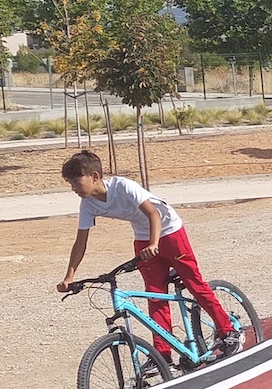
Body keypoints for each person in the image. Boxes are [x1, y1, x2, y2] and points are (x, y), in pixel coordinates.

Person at [55, 149, 243, 360]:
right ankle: (163, 355)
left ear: (94, 176)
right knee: (155, 295)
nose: (73, 188)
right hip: (144, 238)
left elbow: (153, 213)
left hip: (169, 231)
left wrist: (155, 243)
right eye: (70, 183)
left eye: (76, 181)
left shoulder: (123, 187)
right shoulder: (88, 204)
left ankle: (227, 331)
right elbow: (81, 242)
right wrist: (69, 276)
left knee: (195, 285)